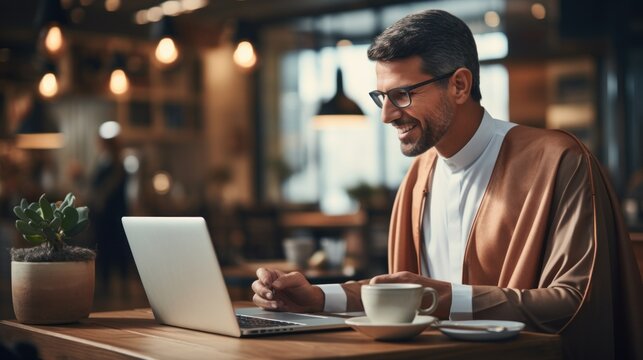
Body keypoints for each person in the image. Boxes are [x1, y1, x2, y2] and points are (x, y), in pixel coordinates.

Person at [251, 9, 642, 360]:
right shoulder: (418, 177)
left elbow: (573, 302)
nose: (387, 115)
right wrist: (317, 298)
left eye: (402, 95)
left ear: (458, 85)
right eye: (381, 97)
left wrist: (439, 297)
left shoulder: (559, 160)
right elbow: (407, 292)